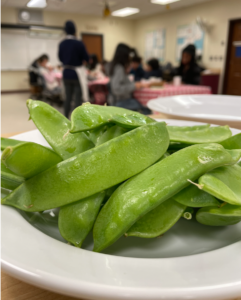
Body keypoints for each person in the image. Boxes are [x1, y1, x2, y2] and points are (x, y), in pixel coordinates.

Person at [108, 43, 151, 114]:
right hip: (120, 102)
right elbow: (116, 89)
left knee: (143, 107)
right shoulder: (119, 68)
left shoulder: (116, 66)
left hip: (119, 101)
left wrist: (134, 84)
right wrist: (134, 86)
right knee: (146, 109)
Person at [58, 20, 89, 118]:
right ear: (75, 30)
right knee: (77, 100)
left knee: (67, 98)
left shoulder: (62, 44)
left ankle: (65, 118)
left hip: (66, 73)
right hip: (76, 74)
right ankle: (77, 120)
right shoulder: (78, 43)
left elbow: (60, 58)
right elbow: (86, 58)